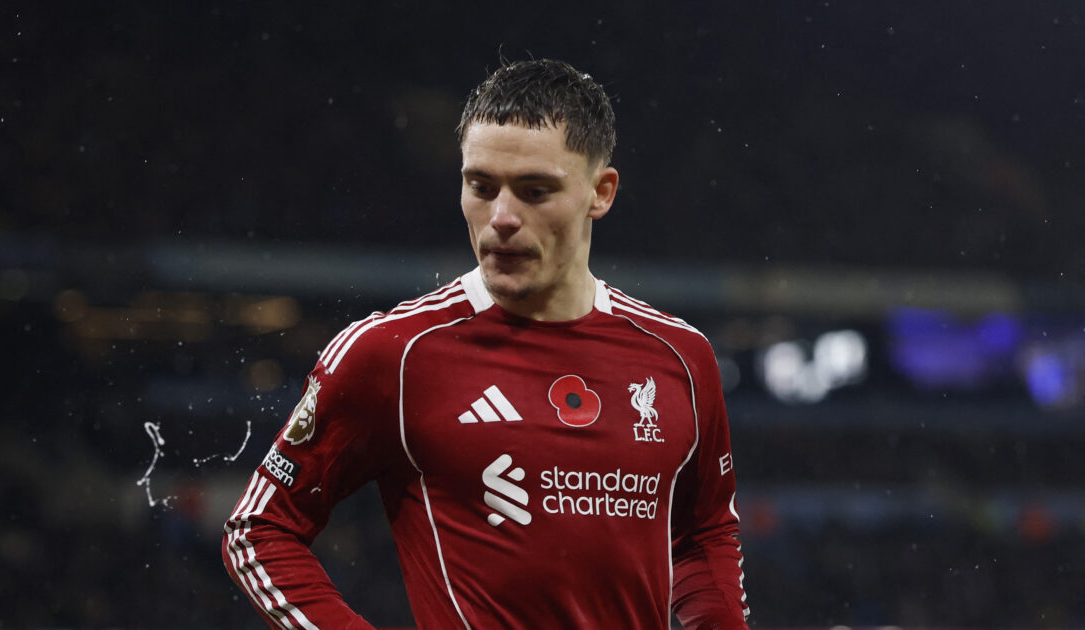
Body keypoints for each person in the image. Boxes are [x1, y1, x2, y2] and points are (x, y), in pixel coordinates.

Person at [222, 58, 749, 630]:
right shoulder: (394, 353)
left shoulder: (681, 357)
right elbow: (260, 529)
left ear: (601, 193)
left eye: (534, 191)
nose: (501, 217)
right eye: (481, 186)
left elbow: (703, 536)